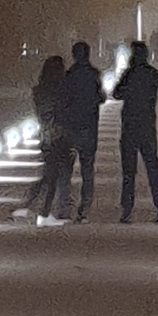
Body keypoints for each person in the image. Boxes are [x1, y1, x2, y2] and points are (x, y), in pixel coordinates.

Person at [111, 37, 158, 224]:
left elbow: (116, 93)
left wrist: (128, 82)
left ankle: (127, 209)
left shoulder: (130, 74)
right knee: (153, 168)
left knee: (129, 172)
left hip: (130, 126)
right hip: (147, 125)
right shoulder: (153, 74)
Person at [57, 38, 104, 222]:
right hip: (89, 128)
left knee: (66, 170)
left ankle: (64, 207)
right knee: (87, 170)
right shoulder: (94, 74)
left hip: (71, 128)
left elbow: (63, 100)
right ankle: (84, 209)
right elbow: (101, 97)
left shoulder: (69, 75)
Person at [21, 53, 71, 221]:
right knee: (57, 175)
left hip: (47, 136)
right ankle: (46, 209)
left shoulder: (40, 91)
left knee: (50, 174)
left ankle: (37, 205)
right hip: (61, 135)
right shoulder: (63, 91)